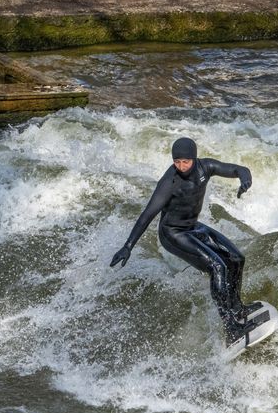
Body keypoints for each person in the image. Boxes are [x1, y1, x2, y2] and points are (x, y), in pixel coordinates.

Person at [109, 137, 257, 345]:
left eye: (185, 162)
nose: (181, 166)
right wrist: (128, 246)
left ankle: (237, 308)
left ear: (194, 159)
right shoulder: (169, 182)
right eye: (176, 162)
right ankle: (230, 327)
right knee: (218, 266)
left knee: (236, 258)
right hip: (172, 234)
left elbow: (237, 169)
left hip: (192, 227)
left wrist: (244, 178)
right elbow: (147, 214)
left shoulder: (206, 167)